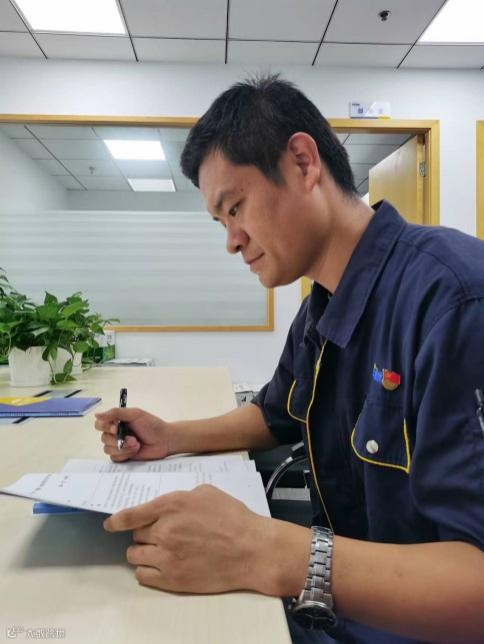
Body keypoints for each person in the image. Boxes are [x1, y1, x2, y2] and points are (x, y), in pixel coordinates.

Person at [94, 75, 484, 643]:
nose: (231, 240)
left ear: (303, 163)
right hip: (334, 612)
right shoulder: (321, 306)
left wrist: (264, 548)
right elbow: (276, 415)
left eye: (235, 208)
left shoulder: (455, 300)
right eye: (221, 222)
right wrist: (172, 436)